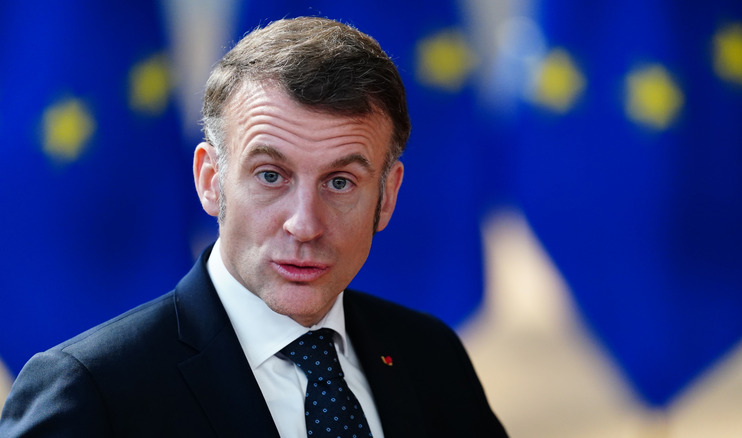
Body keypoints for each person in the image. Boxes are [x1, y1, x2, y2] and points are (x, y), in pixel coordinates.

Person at [0, 17, 507, 437]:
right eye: (270, 175)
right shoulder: (91, 391)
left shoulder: (431, 357)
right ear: (210, 180)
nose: (305, 224)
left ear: (388, 195)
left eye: (340, 182)